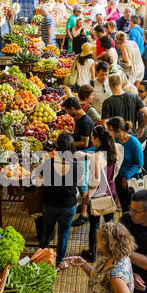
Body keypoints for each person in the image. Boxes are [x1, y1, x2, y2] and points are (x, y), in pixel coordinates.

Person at [79, 126, 124, 262]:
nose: (91, 141)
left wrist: (87, 197)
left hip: (98, 195)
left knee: (94, 225)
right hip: (110, 191)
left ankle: (92, 254)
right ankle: (111, 251)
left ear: (97, 139)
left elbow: (96, 181)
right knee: (110, 223)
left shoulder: (97, 157)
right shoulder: (115, 150)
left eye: (92, 138)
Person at [40, 134, 83, 270]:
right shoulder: (77, 165)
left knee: (47, 231)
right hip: (68, 205)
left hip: (49, 203)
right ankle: (59, 262)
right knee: (64, 233)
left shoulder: (49, 163)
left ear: (57, 147)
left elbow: (39, 182)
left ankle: (42, 259)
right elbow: (80, 183)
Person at [62, 96, 95, 228]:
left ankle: (84, 214)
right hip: (79, 155)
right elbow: (79, 136)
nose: (68, 113)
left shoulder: (85, 122)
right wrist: (69, 133)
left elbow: (84, 142)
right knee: (80, 183)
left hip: (84, 156)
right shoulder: (80, 119)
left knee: (83, 185)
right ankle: (82, 207)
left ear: (73, 108)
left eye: (68, 110)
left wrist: (67, 144)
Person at [107, 117, 144, 214]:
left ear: (118, 130)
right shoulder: (115, 140)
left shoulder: (134, 143)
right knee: (124, 205)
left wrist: (127, 176)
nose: (108, 132)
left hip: (130, 179)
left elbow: (139, 163)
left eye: (110, 130)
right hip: (118, 177)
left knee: (131, 207)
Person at [101, 73, 147, 138]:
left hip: (116, 139)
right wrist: (142, 128)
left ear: (109, 85)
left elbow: (104, 124)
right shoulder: (134, 97)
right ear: (121, 84)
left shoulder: (107, 102)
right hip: (132, 137)